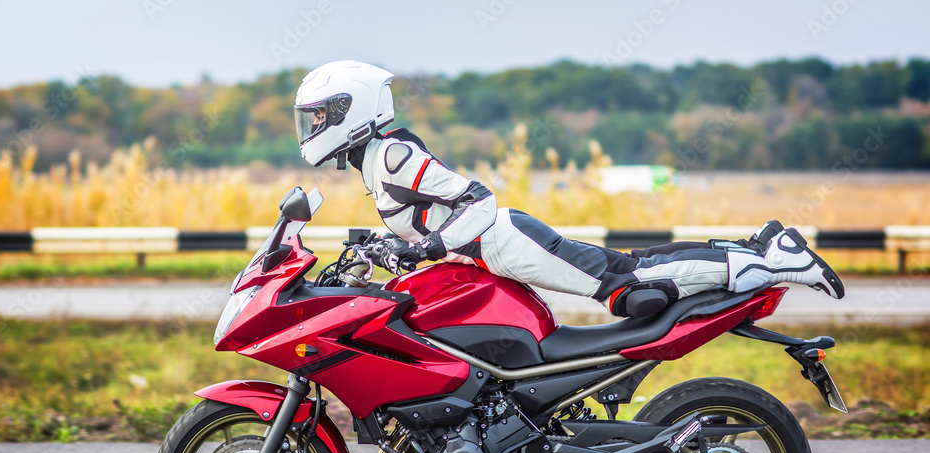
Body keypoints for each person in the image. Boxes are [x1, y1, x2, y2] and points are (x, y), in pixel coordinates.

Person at [293, 61, 844, 317]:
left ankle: (767, 264)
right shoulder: (375, 160)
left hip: (504, 246)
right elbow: (425, 218)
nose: (312, 130)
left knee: (626, 289)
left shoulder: (392, 154)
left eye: (319, 118)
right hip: (496, 252)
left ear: (350, 111)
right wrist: (374, 246)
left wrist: (428, 247)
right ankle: (755, 245)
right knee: (632, 262)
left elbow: (476, 201)